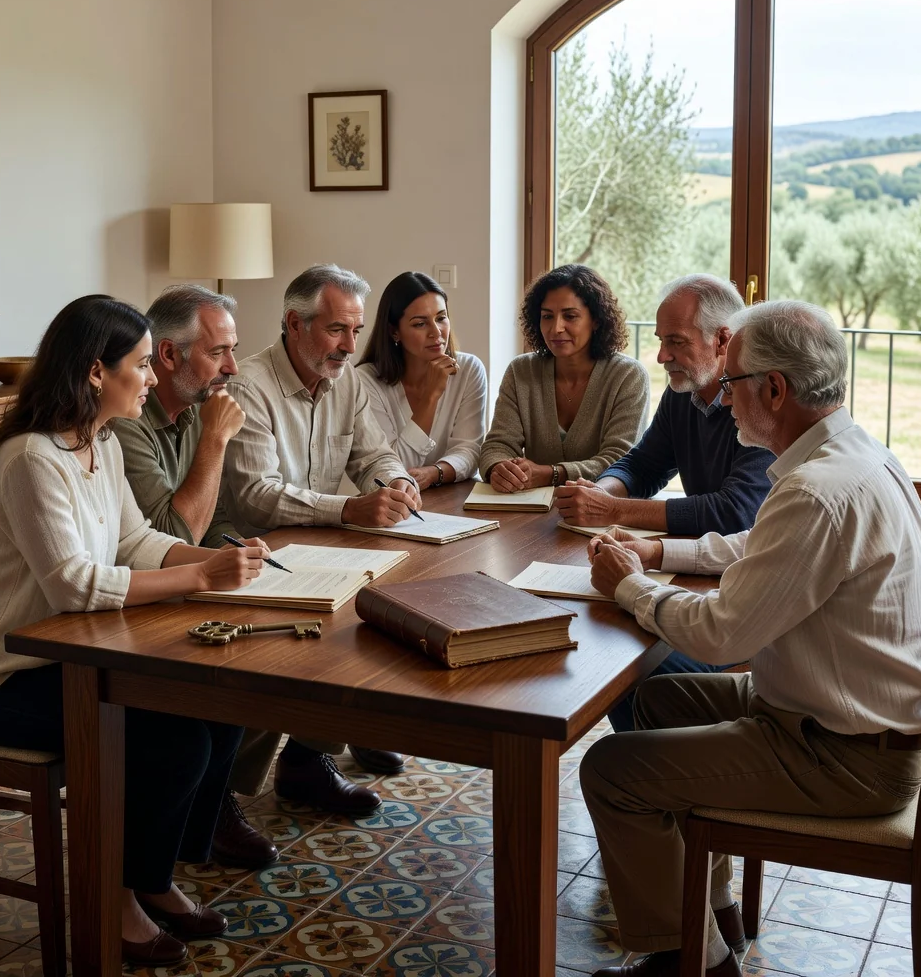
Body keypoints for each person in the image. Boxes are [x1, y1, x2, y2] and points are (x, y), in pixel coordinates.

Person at [579, 300, 921, 977]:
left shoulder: (818, 491)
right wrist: (656, 553)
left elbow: (719, 633)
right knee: (654, 700)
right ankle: (708, 914)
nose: (722, 396)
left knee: (611, 772)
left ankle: (688, 961)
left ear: (775, 389)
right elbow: (759, 548)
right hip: (841, 717)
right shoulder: (853, 455)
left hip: (845, 758)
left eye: (732, 380)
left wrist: (627, 586)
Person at [0, 295, 272, 967]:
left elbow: (135, 540)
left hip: (69, 656)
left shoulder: (102, 444)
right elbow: (74, 584)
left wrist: (214, 560)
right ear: (96, 371)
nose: (151, 377)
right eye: (142, 364)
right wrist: (199, 581)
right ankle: (119, 901)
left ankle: (151, 877)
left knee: (219, 703)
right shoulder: (33, 458)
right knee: (169, 740)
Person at [113, 284, 394, 844]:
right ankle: (209, 804)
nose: (231, 367)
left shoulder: (194, 407)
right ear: (168, 357)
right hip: (134, 601)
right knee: (272, 650)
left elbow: (215, 518)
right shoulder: (135, 424)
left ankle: (280, 770)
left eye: (232, 350)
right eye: (219, 353)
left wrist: (237, 547)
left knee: (340, 620)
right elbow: (169, 533)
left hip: (188, 574)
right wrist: (216, 444)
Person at [223, 263, 420, 780]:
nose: (350, 346)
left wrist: (396, 481)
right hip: (250, 550)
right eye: (337, 330)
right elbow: (254, 497)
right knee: (314, 636)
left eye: (356, 331)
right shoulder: (248, 386)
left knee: (386, 599)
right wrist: (348, 509)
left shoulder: (347, 382)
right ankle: (222, 792)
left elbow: (375, 455)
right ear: (293, 324)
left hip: (315, 545)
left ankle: (312, 757)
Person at [555, 274, 776, 732]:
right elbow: (643, 462)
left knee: (627, 665)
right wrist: (606, 490)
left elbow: (735, 512)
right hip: (705, 574)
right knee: (619, 642)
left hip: (748, 609)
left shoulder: (758, 405)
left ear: (723, 340)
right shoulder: (685, 392)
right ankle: (655, 778)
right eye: (660, 341)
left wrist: (615, 513)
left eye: (675, 341)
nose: (661, 356)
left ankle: (655, 776)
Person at [479, 264, 649, 492]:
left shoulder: (628, 376)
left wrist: (550, 474)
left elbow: (619, 461)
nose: (556, 328)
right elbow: (498, 444)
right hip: (530, 511)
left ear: (596, 320)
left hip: (601, 514)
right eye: (547, 316)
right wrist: (499, 468)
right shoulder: (521, 371)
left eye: (570, 316)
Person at [356, 271, 486, 491]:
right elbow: (393, 468)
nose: (436, 333)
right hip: (390, 503)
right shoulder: (365, 380)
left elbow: (470, 450)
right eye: (420, 324)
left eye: (441, 318)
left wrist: (435, 473)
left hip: (452, 496)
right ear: (394, 331)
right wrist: (431, 396)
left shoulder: (469, 370)